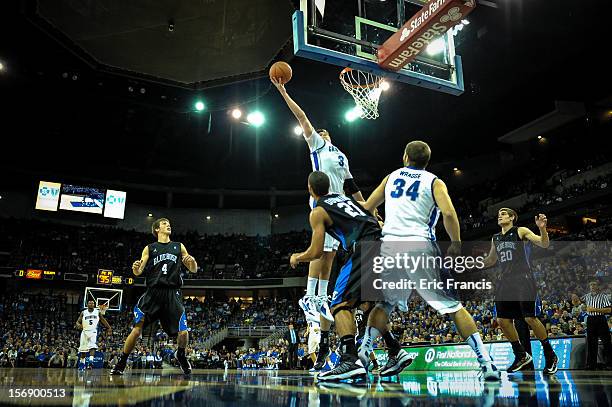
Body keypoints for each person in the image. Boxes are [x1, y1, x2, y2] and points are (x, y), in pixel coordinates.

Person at [360, 140, 500, 380]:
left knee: (385, 304)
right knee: (453, 306)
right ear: (427, 161)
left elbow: (367, 207)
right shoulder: (434, 181)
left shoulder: (391, 177)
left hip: (390, 247)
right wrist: (455, 243)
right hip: (419, 244)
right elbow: (448, 213)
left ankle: (365, 349)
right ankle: (485, 362)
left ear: (405, 157)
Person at [272, 77, 366, 328]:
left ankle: (321, 295)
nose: (319, 132)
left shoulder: (341, 156)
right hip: (322, 204)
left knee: (330, 255)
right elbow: (302, 117)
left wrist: (368, 210)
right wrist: (283, 91)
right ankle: (309, 297)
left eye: (324, 131)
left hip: (340, 205)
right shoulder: (317, 146)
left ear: (331, 135)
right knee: (320, 251)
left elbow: (352, 186)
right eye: (318, 131)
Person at [290, 171, 381, 381]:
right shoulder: (343, 198)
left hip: (363, 247)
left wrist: (297, 257)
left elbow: (317, 252)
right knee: (369, 304)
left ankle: (349, 360)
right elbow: (369, 210)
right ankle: (394, 349)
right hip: (382, 242)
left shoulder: (318, 210)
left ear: (310, 189)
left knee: (338, 304)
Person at [110, 218, 198, 376]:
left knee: (184, 332)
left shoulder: (179, 246)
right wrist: (135, 269)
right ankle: (121, 362)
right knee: (136, 331)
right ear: (157, 229)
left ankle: (181, 355)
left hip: (172, 293)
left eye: (169, 223)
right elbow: (138, 271)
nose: (168, 225)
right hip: (153, 293)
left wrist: (192, 262)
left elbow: (193, 269)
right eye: (164, 223)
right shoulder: (150, 248)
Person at [482, 208, 558, 375]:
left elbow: (544, 243)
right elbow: (491, 260)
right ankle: (521, 355)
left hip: (523, 278)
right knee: (502, 321)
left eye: (503, 213)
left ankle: (550, 355)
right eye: (498, 213)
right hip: (505, 281)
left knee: (530, 318)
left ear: (512, 217)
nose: (499, 215)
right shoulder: (495, 238)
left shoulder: (520, 231)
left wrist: (542, 228)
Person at [571, 280, 611, 370]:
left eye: (594, 284)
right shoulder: (587, 296)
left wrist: (595, 309)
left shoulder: (603, 296)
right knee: (591, 343)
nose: (592, 286)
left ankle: (609, 364)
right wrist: (574, 299)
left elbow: (608, 310)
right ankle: (591, 365)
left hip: (601, 319)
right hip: (591, 320)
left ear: (598, 286)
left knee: (606, 342)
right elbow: (577, 303)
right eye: (591, 285)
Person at [76, 300, 111, 370]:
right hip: (84, 331)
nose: (91, 304)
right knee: (83, 349)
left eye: (92, 303)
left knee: (93, 346)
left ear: (94, 305)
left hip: (93, 331)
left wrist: (109, 327)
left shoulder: (97, 312)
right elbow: (78, 321)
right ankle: (82, 363)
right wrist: (78, 325)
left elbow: (103, 320)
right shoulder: (83, 312)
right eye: (90, 303)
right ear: (87, 304)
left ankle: (90, 362)